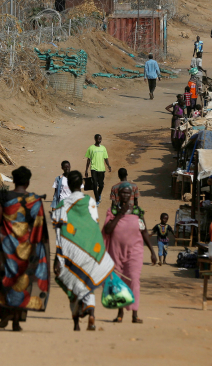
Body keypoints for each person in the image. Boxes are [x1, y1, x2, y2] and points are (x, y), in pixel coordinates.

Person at [0, 166, 50, 332]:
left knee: (2, 281)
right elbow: (39, 229)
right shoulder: (35, 201)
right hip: (27, 250)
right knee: (22, 284)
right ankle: (16, 321)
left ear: (14, 181)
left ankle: (5, 313)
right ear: (28, 182)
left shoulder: (4, 197)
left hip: (5, 249)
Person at [51, 171, 114, 331]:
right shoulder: (90, 201)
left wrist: (58, 257)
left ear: (69, 186)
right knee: (87, 282)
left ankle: (76, 323)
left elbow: (58, 230)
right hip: (89, 248)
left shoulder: (62, 205)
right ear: (82, 185)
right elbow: (93, 224)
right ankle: (91, 313)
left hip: (70, 250)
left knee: (74, 283)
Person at [103, 183, 158, 324]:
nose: (125, 195)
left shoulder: (138, 211)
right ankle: (120, 313)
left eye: (128, 193)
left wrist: (152, 251)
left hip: (135, 251)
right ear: (118, 195)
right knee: (118, 282)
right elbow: (108, 230)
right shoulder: (113, 211)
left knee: (134, 279)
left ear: (131, 195)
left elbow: (144, 231)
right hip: (116, 251)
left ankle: (135, 314)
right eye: (123, 193)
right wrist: (120, 214)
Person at [85, 134, 111, 204]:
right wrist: (86, 170)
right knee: (94, 184)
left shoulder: (103, 148)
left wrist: (108, 166)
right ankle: (97, 200)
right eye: (98, 138)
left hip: (101, 169)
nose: (99, 140)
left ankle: (98, 195)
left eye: (100, 138)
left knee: (101, 185)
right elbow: (88, 160)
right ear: (95, 139)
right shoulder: (91, 148)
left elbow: (106, 158)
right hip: (93, 168)